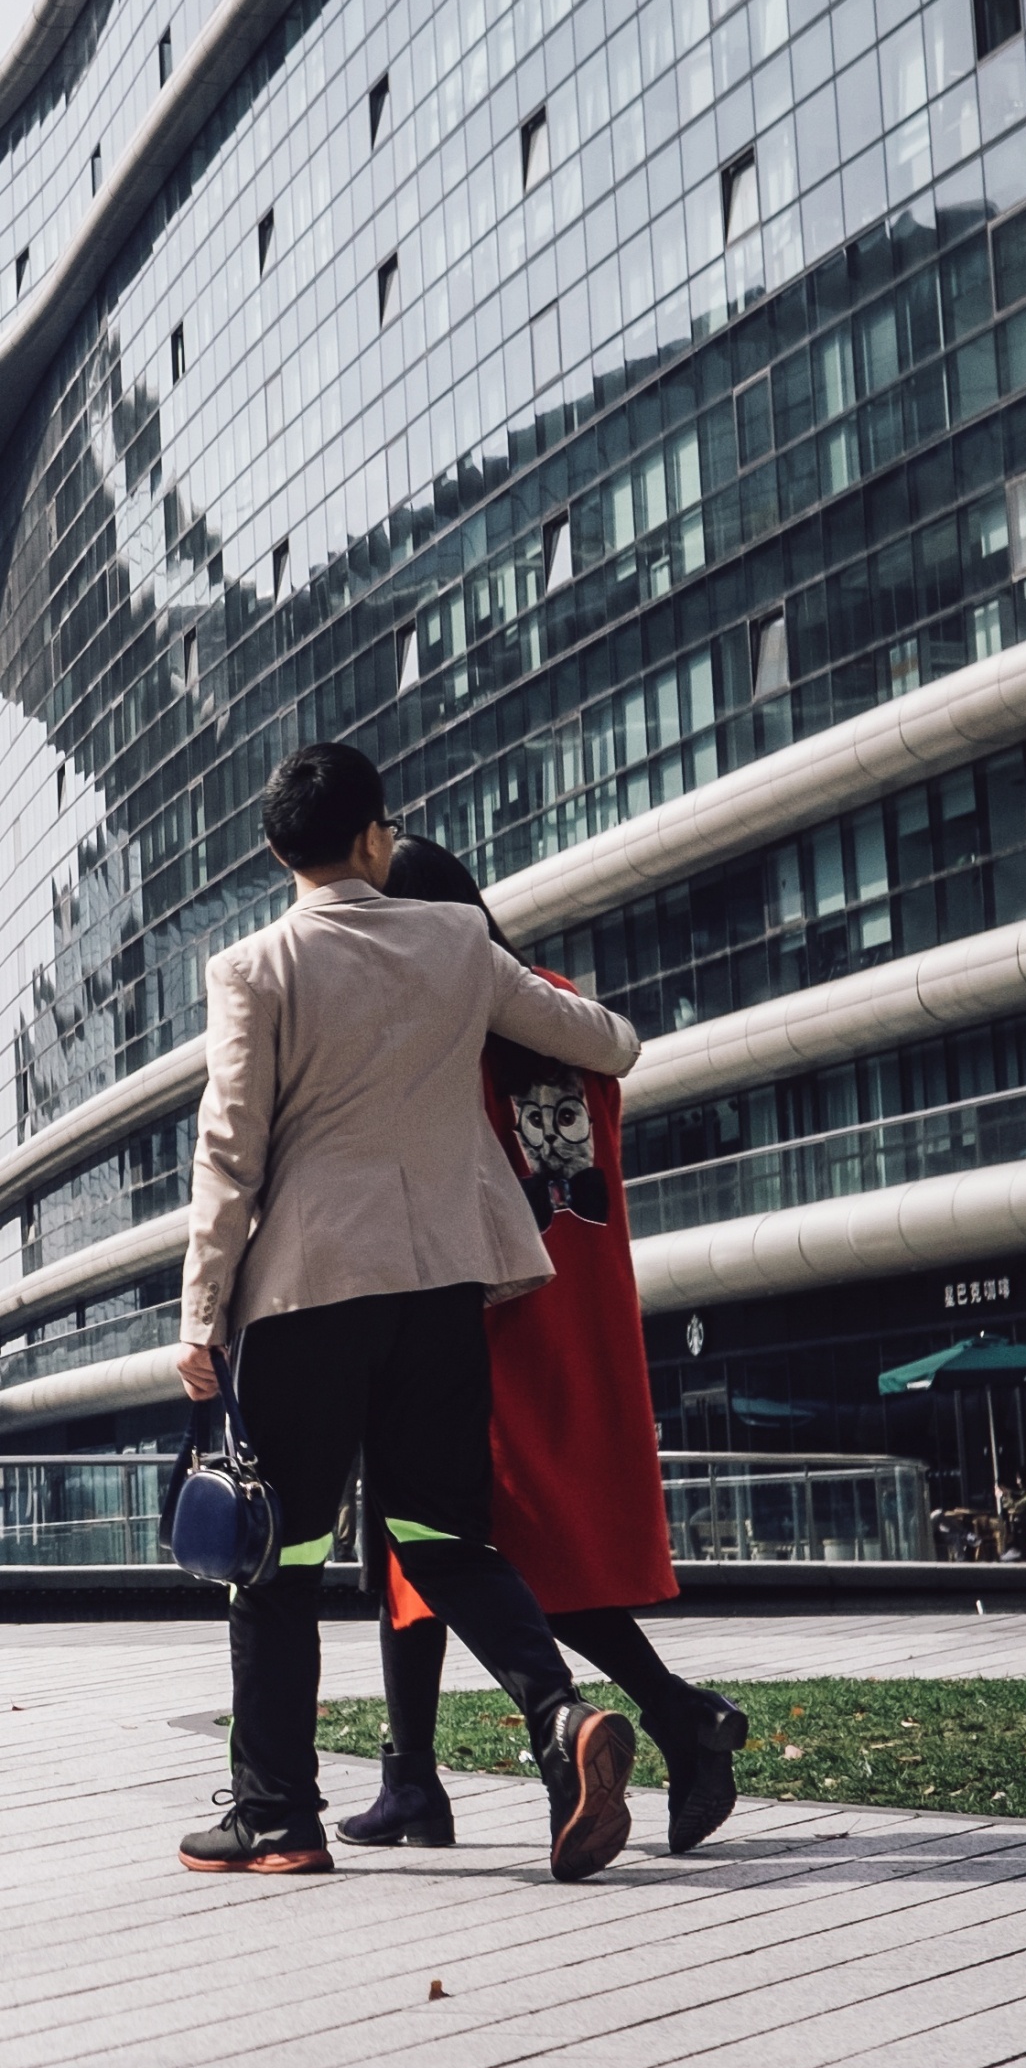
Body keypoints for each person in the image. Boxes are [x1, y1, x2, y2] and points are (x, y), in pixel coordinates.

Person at [174, 741, 643, 1884]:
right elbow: (610, 1044)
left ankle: (277, 1816)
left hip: (307, 1295)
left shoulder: (254, 968)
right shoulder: (457, 941)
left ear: (278, 852)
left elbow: (229, 1153)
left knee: (278, 1559)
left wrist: (200, 1317)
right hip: (440, 1291)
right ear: (376, 836)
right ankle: (560, 1723)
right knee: (444, 1538)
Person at [337, 835, 747, 1861]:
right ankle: (412, 1780)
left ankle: (673, 1713)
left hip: (483, 1307)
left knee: (467, 1542)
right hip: (582, 1303)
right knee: (436, 1541)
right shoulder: (555, 1007)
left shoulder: (451, 1017)